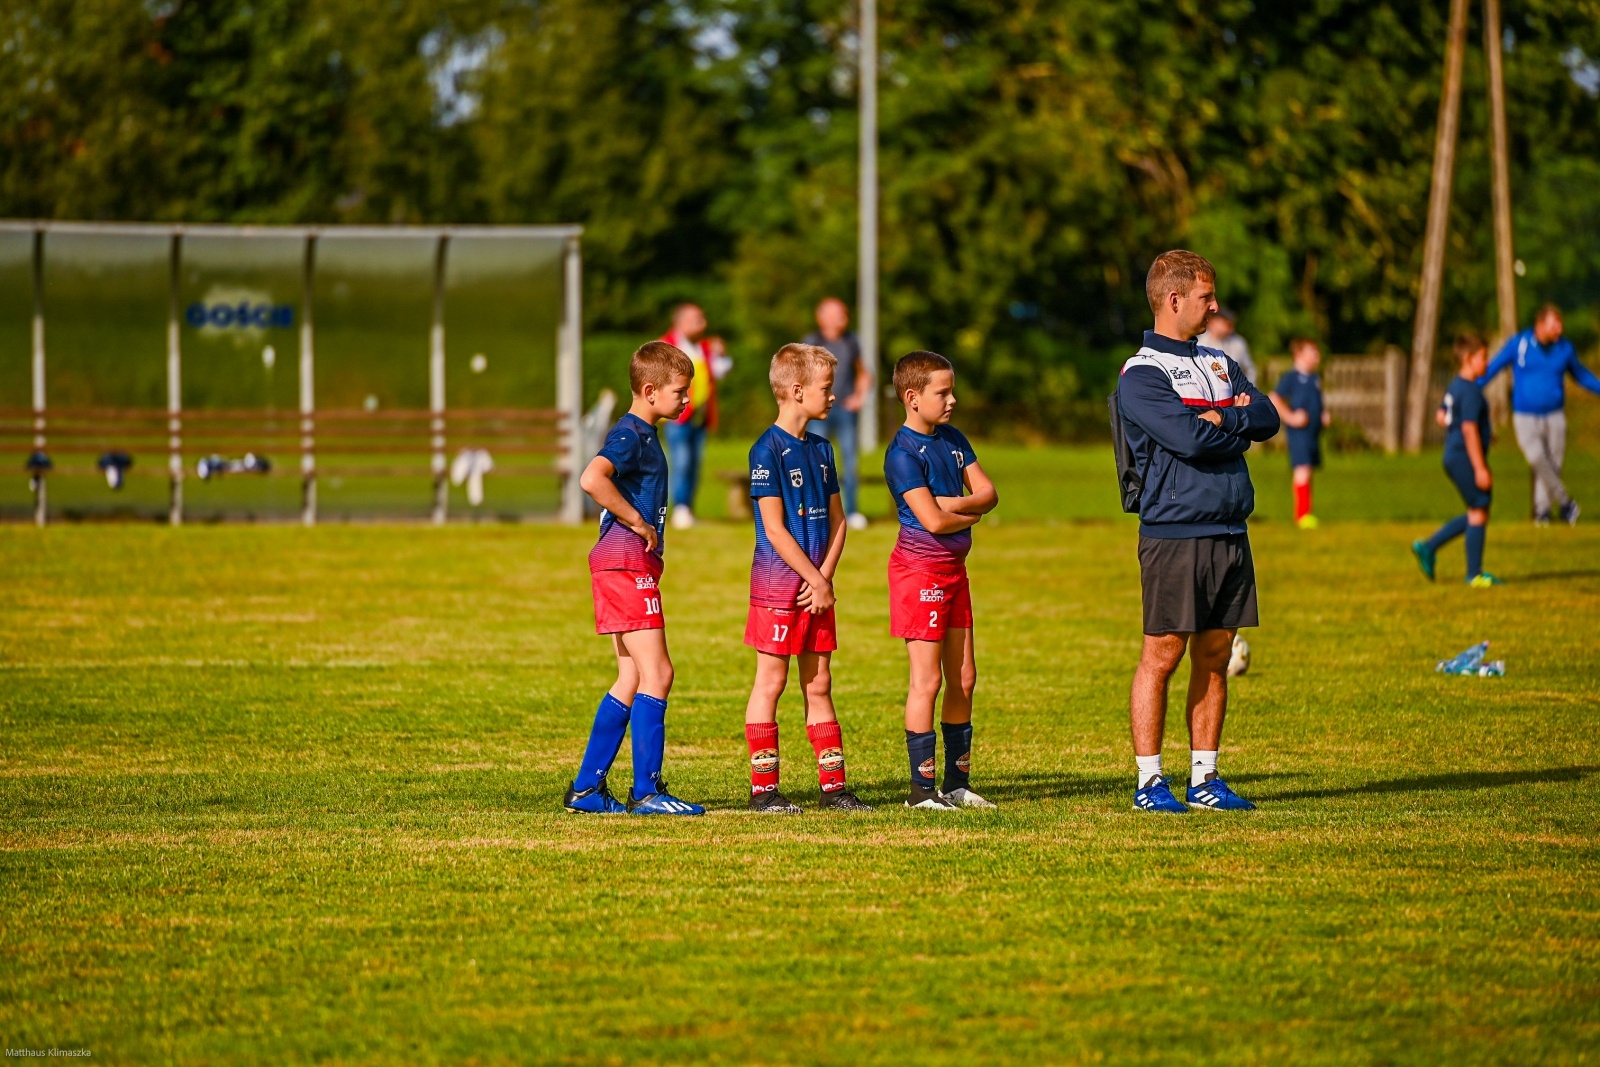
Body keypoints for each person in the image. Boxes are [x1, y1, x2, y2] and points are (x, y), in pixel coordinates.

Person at [1116, 250, 1279, 814]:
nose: (1214, 307)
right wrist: (1231, 425)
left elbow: (1267, 417)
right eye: (1206, 297)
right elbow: (1188, 439)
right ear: (1174, 299)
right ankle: (1149, 782)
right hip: (1175, 532)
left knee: (1215, 653)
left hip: (1230, 528)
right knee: (1162, 655)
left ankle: (1205, 778)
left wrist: (1226, 417)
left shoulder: (1219, 362)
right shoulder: (1142, 374)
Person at [564, 341, 705, 816]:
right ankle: (646, 792)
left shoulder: (644, 433)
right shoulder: (631, 434)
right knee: (659, 673)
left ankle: (587, 790)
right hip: (625, 563)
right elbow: (592, 478)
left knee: (632, 675)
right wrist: (638, 522)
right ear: (649, 391)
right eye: (680, 392)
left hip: (623, 564)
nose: (686, 399)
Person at [742, 344, 873, 813]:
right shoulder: (766, 450)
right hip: (778, 586)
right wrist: (813, 580)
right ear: (797, 391)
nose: (833, 396)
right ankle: (764, 792)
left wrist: (824, 580)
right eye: (826, 388)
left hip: (817, 590)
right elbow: (774, 528)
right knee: (771, 682)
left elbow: (838, 520)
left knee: (819, 684)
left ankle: (834, 789)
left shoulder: (822, 449)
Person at [883, 350, 1000, 810]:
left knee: (964, 677)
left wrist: (950, 503)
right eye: (943, 392)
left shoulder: (953, 439)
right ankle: (921, 792)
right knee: (927, 680)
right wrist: (964, 511)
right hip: (920, 574)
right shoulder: (901, 453)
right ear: (912, 398)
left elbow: (988, 493)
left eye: (952, 391)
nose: (952, 400)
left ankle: (956, 785)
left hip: (955, 573)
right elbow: (931, 522)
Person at [1478, 304, 1599, 525]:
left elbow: (1581, 375)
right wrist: (1469, 387)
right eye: (1554, 325)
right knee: (1536, 458)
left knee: (1553, 465)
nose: (1559, 330)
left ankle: (1542, 513)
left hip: (1555, 415)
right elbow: (1493, 367)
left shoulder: (1564, 349)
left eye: (1560, 325)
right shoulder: (1519, 344)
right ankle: (1566, 502)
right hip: (1525, 416)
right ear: (1540, 325)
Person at [1414, 335, 1500, 586]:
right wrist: (1480, 468)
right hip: (1465, 456)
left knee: (1478, 511)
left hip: (1454, 454)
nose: (1487, 362)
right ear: (1468, 359)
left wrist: (1485, 435)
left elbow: (1442, 416)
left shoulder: (1455, 385)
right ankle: (1474, 574)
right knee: (1479, 509)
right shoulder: (1471, 390)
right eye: (1483, 357)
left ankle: (1429, 547)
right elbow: (1468, 429)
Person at [803, 297, 873, 530]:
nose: (840, 319)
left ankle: (851, 512)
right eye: (834, 314)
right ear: (821, 317)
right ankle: (817, 512)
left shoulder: (851, 341)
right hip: (817, 412)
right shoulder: (811, 343)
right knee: (816, 461)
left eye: (842, 314)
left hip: (844, 410)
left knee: (850, 462)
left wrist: (859, 397)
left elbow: (864, 373)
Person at [661, 303, 731, 530]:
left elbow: (720, 371)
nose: (703, 324)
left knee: (694, 464)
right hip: (678, 417)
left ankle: (688, 508)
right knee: (681, 462)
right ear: (680, 322)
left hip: (700, 417)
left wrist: (721, 354)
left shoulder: (704, 348)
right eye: (697, 319)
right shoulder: (666, 346)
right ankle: (680, 508)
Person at [1269, 338, 1331, 529]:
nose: (1316, 357)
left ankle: (1307, 512)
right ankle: (1301, 514)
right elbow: (1274, 397)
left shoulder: (1314, 378)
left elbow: (1316, 401)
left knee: (1308, 470)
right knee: (1302, 470)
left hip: (1312, 433)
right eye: (1312, 353)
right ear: (1299, 355)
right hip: (1299, 433)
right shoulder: (1291, 377)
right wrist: (1290, 417)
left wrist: (1322, 414)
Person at [1196, 306, 1257, 384]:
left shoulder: (1238, 343)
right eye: (1226, 323)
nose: (1230, 327)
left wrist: (1247, 388)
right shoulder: (1199, 343)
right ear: (1213, 322)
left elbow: (1249, 370)